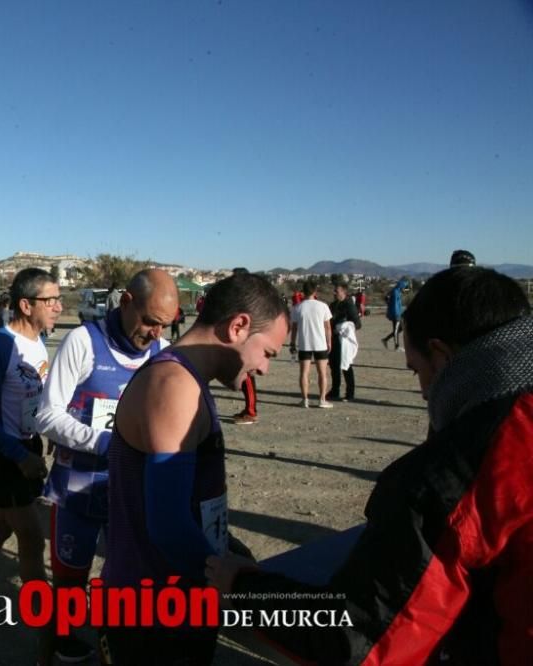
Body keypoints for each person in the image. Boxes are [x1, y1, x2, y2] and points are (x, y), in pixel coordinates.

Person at [206, 266, 533, 665]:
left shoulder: (459, 470)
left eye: (418, 371)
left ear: (444, 356)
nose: (424, 391)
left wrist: (242, 587)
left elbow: (356, 635)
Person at [100, 272, 288, 665]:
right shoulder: (174, 385)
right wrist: (233, 585)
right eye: (267, 353)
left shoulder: (185, 379)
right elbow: (168, 524)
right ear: (238, 327)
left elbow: (188, 505)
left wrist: (228, 548)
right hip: (155, 612)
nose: (265, 370)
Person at [38, 268, 178, 663]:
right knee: (69, 577)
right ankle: (63, 639)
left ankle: (113, 643)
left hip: (129, 491)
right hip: (79, 486)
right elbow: (47, 416)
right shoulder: (83, 341)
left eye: (164, 325)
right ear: (126, 302)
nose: (155, 332)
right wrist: (108, 442)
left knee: (125, 579)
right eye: (150, 321)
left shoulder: (159, 352)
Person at [0, 268, 60, 664]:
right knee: (33, 541)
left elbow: (33, 396)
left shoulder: (40, 340)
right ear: (25, 304)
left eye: (58, 298)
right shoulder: (1, 346)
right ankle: (49, 643)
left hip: (26, 448)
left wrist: (45, 430)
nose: (58, 306)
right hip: (5, 456)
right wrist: (20, 456)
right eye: (50, 300)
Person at [290, 281, 334, 408]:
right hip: (320, 343)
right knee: (322, 372)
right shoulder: (323, 306)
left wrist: (292, 343)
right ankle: (322, 399)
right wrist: (329, 341)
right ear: (315, 292)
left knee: (304, 373)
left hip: (304, 344)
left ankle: (305, 399)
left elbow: (294, 328)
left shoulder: (297, 307)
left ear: (303, 292)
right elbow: (327, 327)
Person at [327, 283, 362, 402]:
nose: (334, 293)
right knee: (333, 365)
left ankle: (350, 393)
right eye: (334, 291)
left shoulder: (349, 305)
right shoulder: (332, 305)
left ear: (344, 292)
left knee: (346, 365)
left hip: (344, 340)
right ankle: (335, 390)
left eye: (336, 291)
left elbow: (357, 324)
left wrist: (344, 327)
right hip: (333, 339)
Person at [381, 278, 409, 351]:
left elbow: (389, 300)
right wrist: (397, 314)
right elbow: (394, 305)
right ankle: (396, 346)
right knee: (396, 330)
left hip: (398, 314)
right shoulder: (395, 292)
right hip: (395, 314)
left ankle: (386, 340)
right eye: (404, 287)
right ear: (401, 286)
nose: (404, 289)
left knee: (399, 329)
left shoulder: (397, 292)